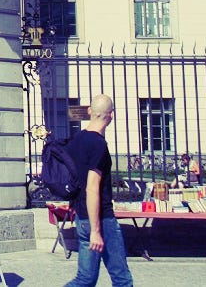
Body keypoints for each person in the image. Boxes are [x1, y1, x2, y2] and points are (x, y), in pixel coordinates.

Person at [64, 95, 133, 287]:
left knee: (85, 279)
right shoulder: (99, 145)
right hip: (101, 219)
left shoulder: (76, 140)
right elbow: (92, 187)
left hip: (82, 217)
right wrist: (96, 231)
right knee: (122, 279)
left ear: (89, 112)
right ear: (111, 116)